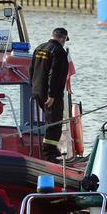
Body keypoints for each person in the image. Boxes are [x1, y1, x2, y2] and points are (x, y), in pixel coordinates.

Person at [29, 27, 70, 163]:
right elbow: (54, 75)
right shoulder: (59, 51)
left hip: (37, 92)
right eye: (65, 40)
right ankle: (50, 154)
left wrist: (33, 87)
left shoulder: (40, 48)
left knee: (49, 120)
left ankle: (51, 148)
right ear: (63, 38)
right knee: (55, 123)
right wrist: (52, 95)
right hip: (51, 95)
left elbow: (31, 69)